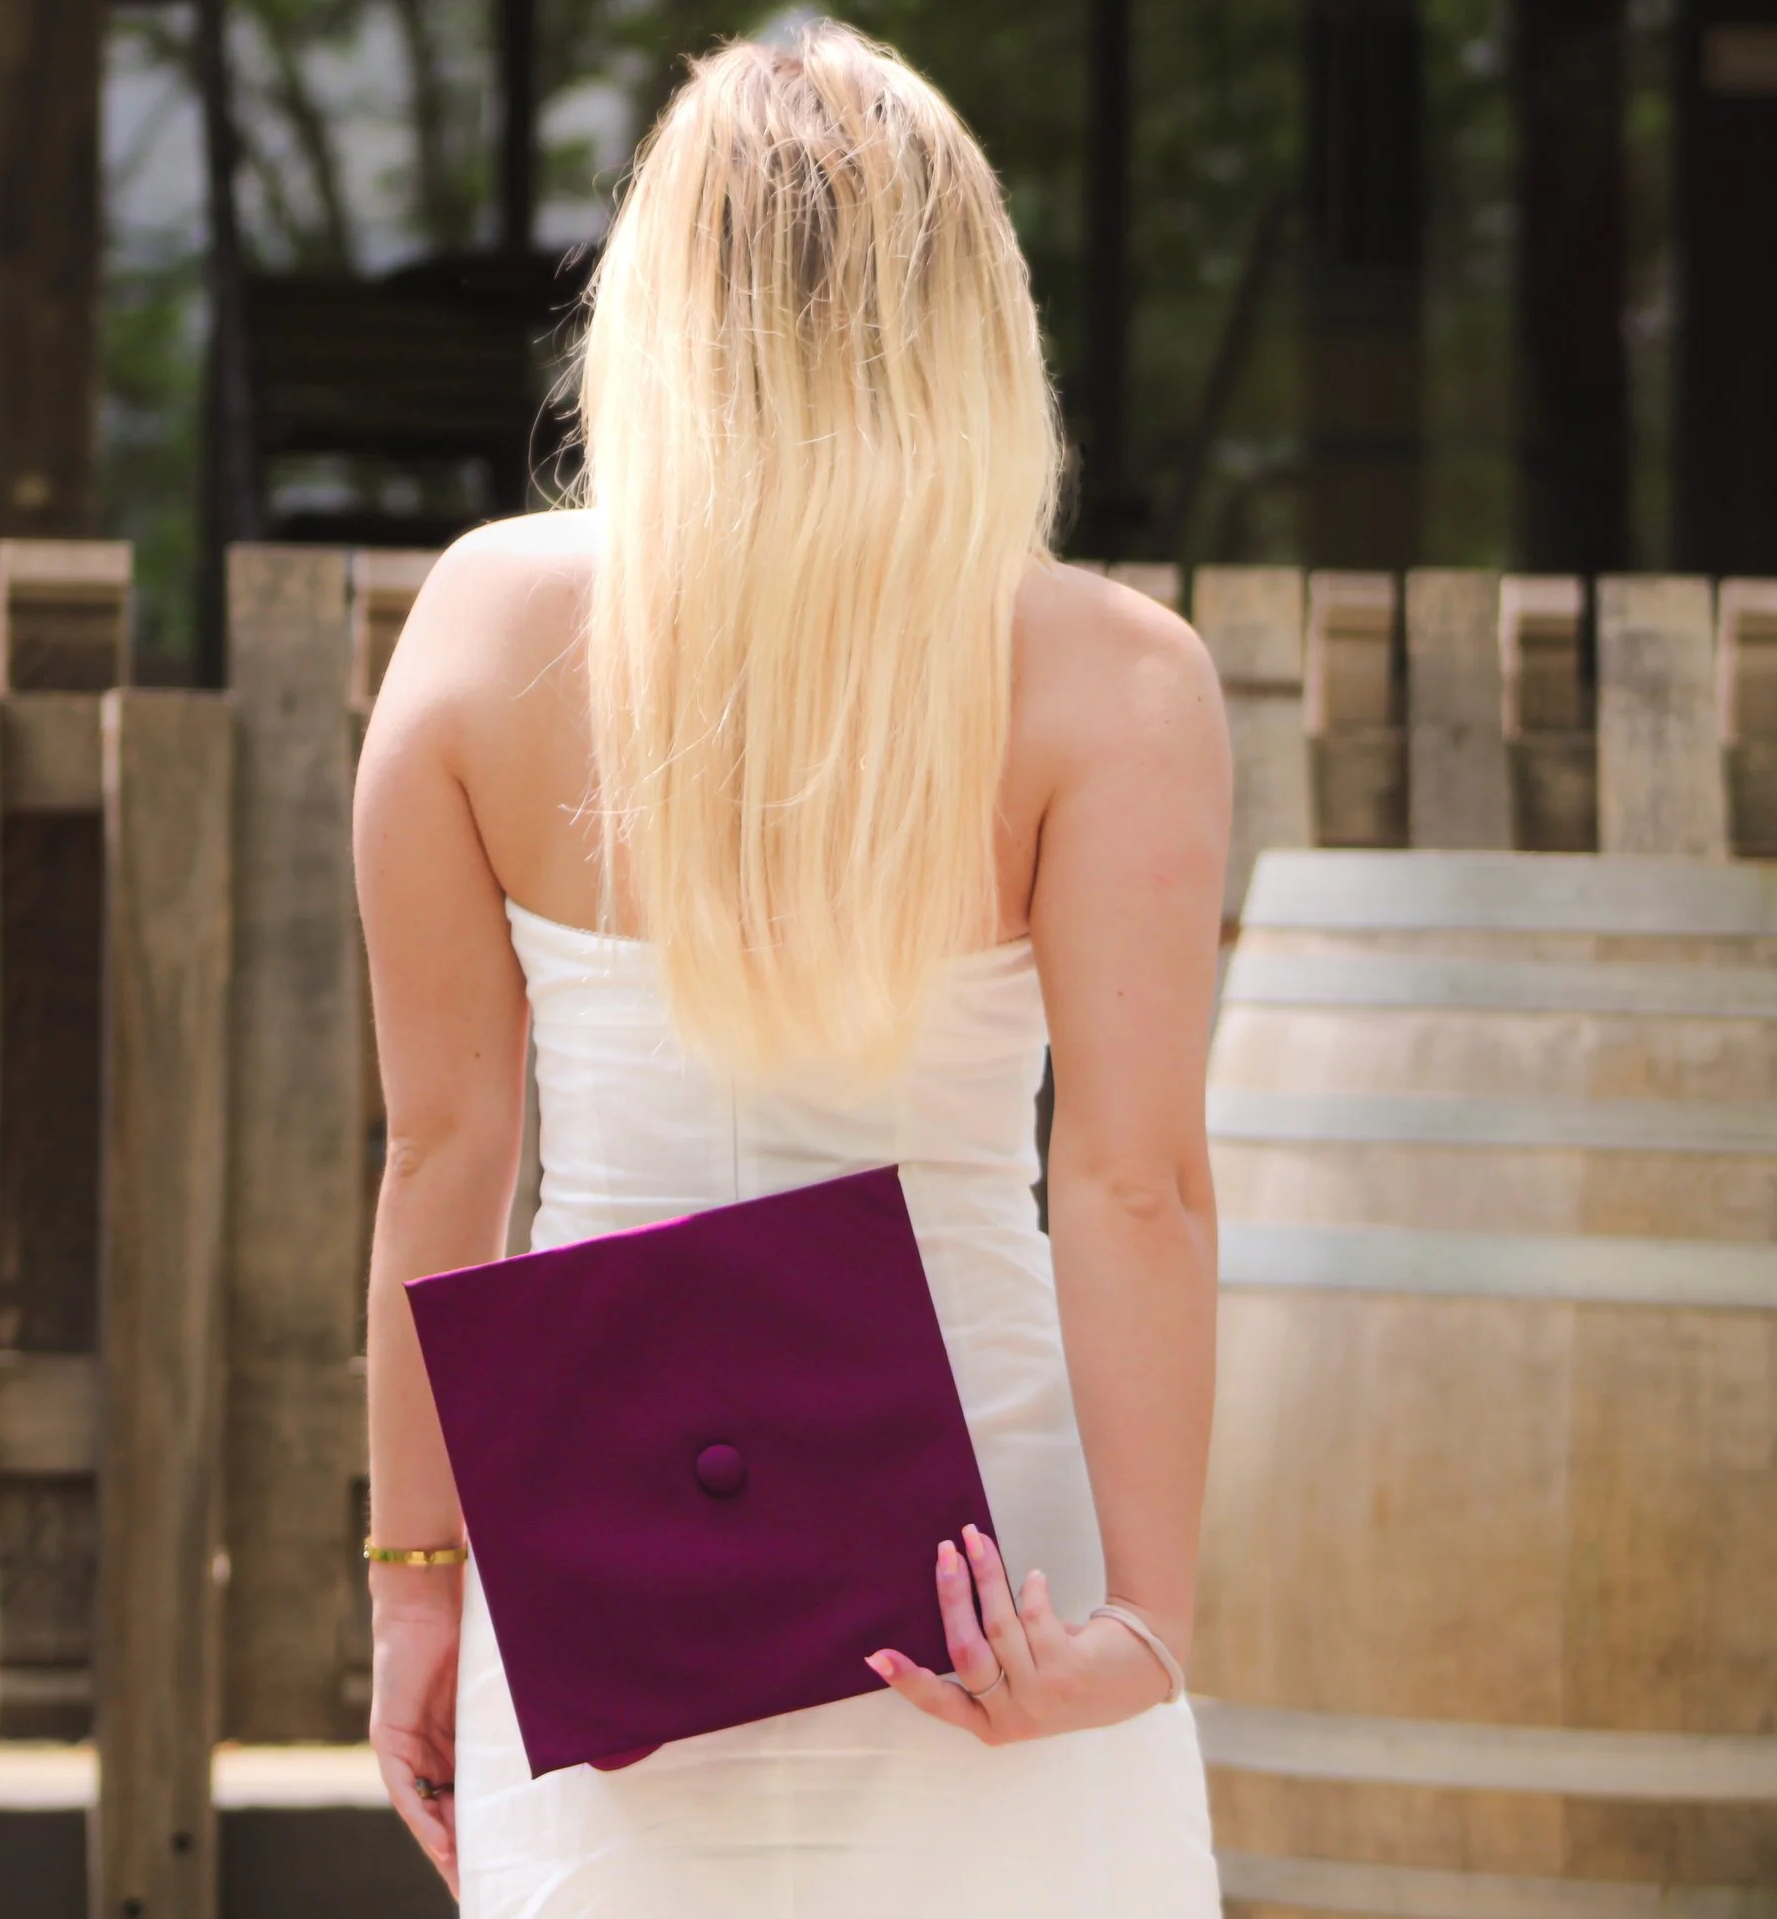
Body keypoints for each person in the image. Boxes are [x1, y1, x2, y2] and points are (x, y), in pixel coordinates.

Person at [351, 19, 1228, 1915]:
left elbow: (441, 1159)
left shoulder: (490, 619)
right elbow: (1135, 1184)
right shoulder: (1112, 677)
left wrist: (417, 1588)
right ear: (971, 309)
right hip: (993, 1573)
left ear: (655, 306)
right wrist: (1144, 1627)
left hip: (605, 1582)